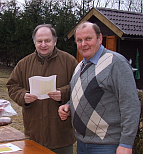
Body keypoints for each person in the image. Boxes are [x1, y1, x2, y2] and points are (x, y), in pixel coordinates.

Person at [58, 21, 141, 154]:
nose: (83, 44)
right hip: (82, 142)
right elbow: (84, 93)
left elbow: (130, 105)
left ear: (100, 38)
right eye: (79, 40)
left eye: (88, 39)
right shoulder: (80, 66)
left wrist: (126, 143)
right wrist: (69, 105)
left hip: (107, 145)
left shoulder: (116, 63)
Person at [6, 24, 78, 154]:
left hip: (61, 136)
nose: (43, 44)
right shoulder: (24, 64)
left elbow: (80, 86)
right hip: (34, 133)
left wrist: (63, 93)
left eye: (47, 41)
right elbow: (12, 86)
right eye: (39, 41)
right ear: (34, 43)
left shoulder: (69, 61)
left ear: (55, 42)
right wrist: (23, 96)